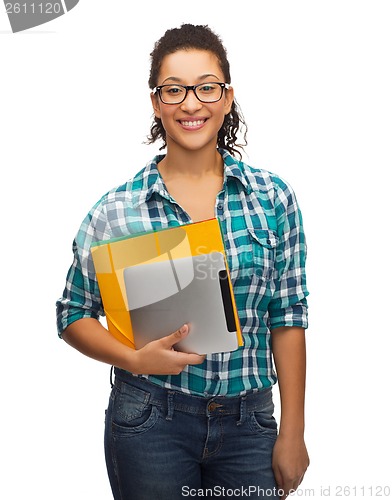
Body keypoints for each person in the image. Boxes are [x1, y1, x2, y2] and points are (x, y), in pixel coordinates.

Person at [56, 23, 310, 500]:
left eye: (206, 88)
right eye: (174, 90)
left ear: (228, 97)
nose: (191, 104)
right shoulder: (117, 210)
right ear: (156, 102)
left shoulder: (272, 198)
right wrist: (133, 357)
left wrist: (292, 431)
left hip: (249, 423)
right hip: (150, 418)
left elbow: (289, 315)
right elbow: (72, 314)